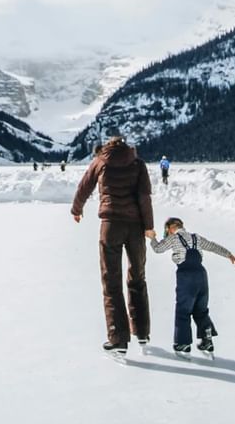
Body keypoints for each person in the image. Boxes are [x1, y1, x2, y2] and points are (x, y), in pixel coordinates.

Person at [71, 136, 154, 356]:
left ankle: (118, 338)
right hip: (135, 227)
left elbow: (84, 186)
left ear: (106, 147)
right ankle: (142, 332)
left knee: (111, 280)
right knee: (137, 276)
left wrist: (76, 209)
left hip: (111, 227)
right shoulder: (137, 163)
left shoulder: (100, 161)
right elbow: (144, 196)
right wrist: (149, 226)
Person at [147, 216, 235, 356]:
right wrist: (229, 255)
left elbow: (158, 249)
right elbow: (213, 246)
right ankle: (206, 338)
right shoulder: (196, 237)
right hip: (202, 275)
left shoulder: (173, 238)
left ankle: (183, 344)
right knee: (201, 309)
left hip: (186, 276)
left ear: (170, 228)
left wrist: (152, 238)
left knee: (183, 310)